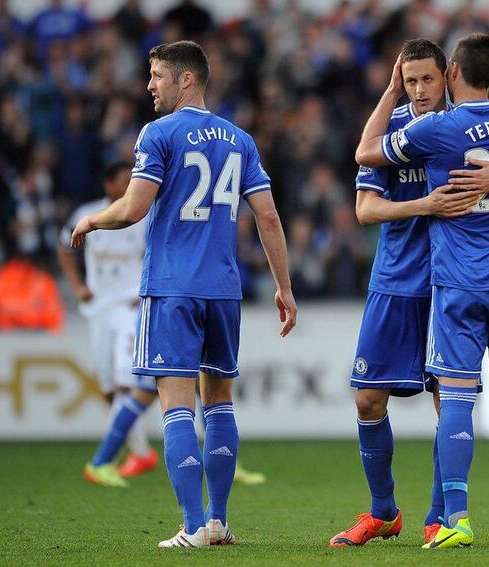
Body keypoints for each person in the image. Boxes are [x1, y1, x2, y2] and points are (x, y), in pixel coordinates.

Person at [70, 40, 296, 548]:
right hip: (223, 289)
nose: (149, 85)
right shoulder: (240, 139)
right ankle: (217, 522)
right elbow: (268, 217)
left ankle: (192, 526)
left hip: (173, 287)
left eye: (156, 75)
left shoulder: (159, 133)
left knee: (176, 406)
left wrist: (92, 219)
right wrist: (284, 287)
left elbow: (132, 208)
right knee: (219, 402)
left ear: (185, 78)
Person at [333, 38, 489, 548]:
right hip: (395, 280)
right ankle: (383, 512)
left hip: (447, 280)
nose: (417, 90)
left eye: (426, 80)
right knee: (368, 399)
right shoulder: (396, 127)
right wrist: (425, 205)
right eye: (408, 81)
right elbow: (366, 210)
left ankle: (441, 516)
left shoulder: (452, 130)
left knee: (449, 401)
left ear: (448, 76)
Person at [58, 160, 158, 487]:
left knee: (125, 382)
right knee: (107, 388)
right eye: (124, 180)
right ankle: (140, 452)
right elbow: (64, 247)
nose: (131, 184)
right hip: (98, 308)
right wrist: (76, 285)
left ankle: (108, 459)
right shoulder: (89, 214)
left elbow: (156, 253)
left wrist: (144, 292)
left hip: (129, 308)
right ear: (108, 186)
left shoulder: (142, 215)